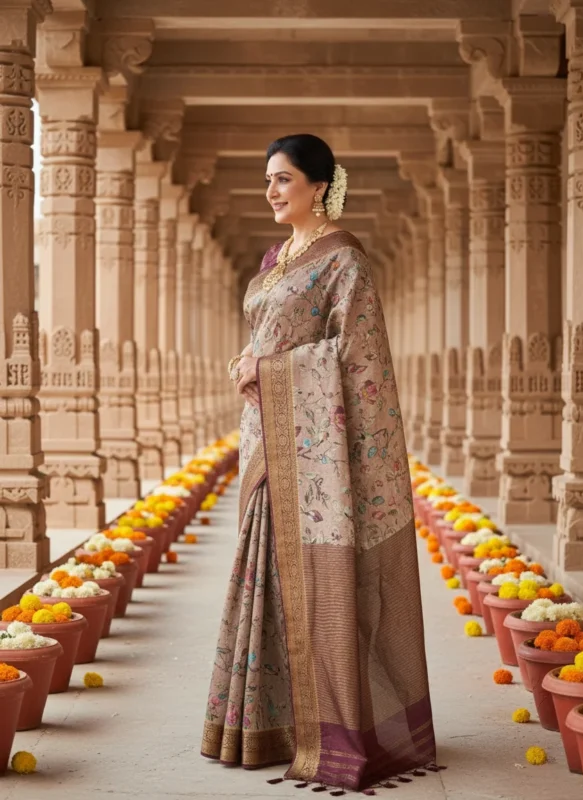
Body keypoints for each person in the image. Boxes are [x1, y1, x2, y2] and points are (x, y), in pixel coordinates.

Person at [201, 134, 435, 792]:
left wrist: (269, 370)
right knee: (266, 578)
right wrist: (249, 365)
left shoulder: (344, 260)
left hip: (312, 458)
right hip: (267, 439)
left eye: (283, 180)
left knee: (315, 590)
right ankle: (264, 722)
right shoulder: (280, 258)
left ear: (319, 185)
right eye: (268, 182)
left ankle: (326, 728)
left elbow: (361, 365)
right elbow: (272, 334)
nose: (272, 192)